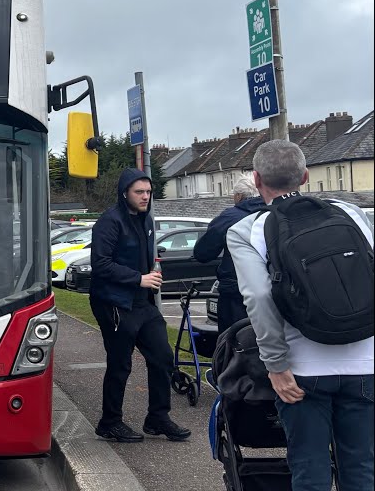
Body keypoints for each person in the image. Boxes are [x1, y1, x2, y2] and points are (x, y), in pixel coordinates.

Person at [227, 140, 373, 491]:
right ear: (306, 176)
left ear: (257, 179)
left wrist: (275, 366)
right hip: (366, 363)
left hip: (302, 371)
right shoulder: (351, 213)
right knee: (363, 467)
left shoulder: (248, 230)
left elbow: (260, 297)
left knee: (310, 469)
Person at [88, 168, 191, 443]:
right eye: (139, 192)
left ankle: (158, 417)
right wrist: (139, 278)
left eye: (148, 192)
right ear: (125, 193)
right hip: (113, 303)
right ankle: (110, 422)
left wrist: (151, 271)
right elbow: (100, 264)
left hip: (142, 303)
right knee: (120, 364)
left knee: (162, 357)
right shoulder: (110, 222)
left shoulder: (146, 220)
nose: (145, 197)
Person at [193, 177, 265, 333]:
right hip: (270, 286)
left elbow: (203, 253)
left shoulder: (230, 217)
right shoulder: (273, 212)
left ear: (238, 196)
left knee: (234, 340)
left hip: (236, 290)